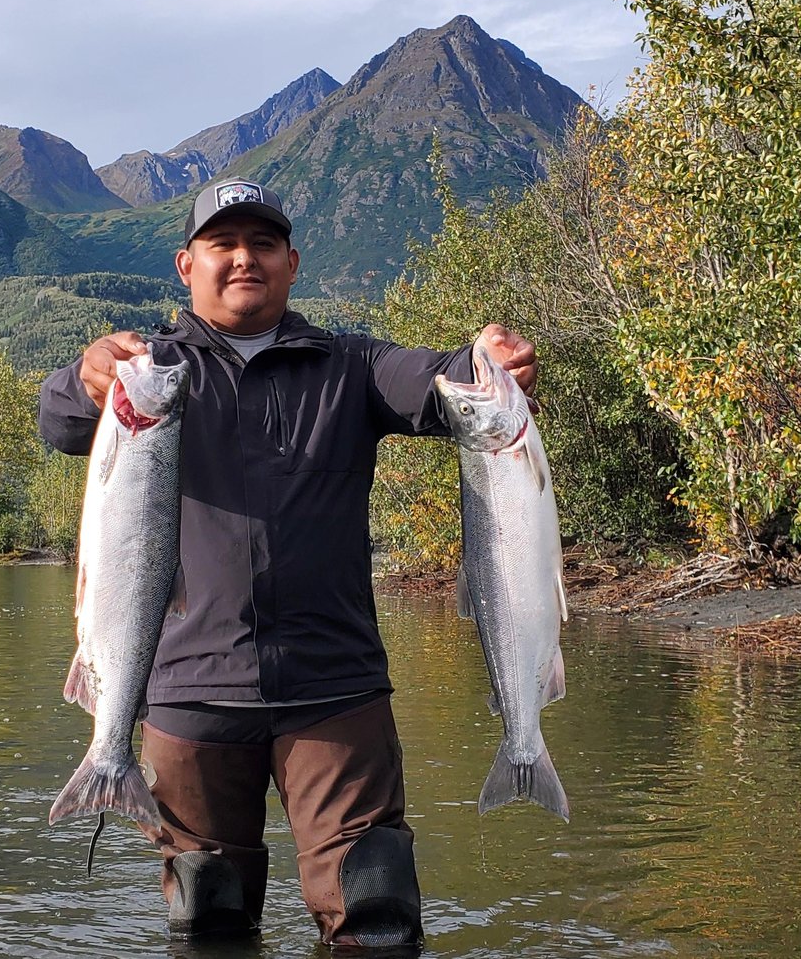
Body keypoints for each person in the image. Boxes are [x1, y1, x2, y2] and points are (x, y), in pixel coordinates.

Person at [38, 178, 537, 949]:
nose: (244, 259)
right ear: (186, 264)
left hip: (335, 692)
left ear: (292, 263)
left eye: (263, 244)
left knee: (374, 919)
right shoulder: (148, 372)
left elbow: (444, 383)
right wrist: (85, 377)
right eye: (223, 245)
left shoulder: (352, 366)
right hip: (188, 694)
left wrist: (485, 359)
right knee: (208, 922)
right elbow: (60, 421)